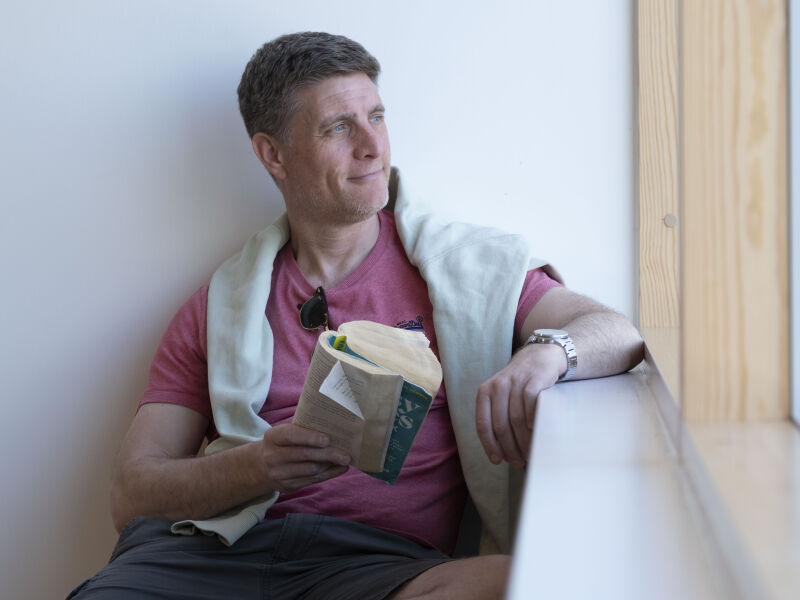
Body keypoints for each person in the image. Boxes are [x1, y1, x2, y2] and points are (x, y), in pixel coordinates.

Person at [69, 31, 643, 599]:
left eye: (377, 116)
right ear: (273, 154)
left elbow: (617, 332)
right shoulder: (218, 307)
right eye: (339, 127)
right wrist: (259, 466)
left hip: (378, 567)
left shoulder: (467, 272)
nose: (373, 147)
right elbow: (131, 494)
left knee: (514, 585)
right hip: (211, 558)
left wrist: (549, 353)